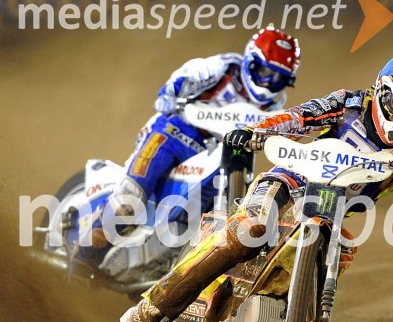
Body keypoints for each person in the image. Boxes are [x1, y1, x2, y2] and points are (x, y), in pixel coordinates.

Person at [121, 50, 393, 322]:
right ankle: (149, 310)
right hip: (286, 183)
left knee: (342, 251)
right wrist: (254, 132)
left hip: (329, 215)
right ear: (381, 90)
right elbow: (298, 117)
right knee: (249, 230)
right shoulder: (349, 104)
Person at [97, 25, 301, 247]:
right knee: (131, 198)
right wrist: (169, 95)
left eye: (278, 79)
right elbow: (182, 79)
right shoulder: (222, 68)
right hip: (176, 132)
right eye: (264, 72)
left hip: (220, 152)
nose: (268, 83)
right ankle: (88, 251)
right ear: (250, 61)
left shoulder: (275, 108)